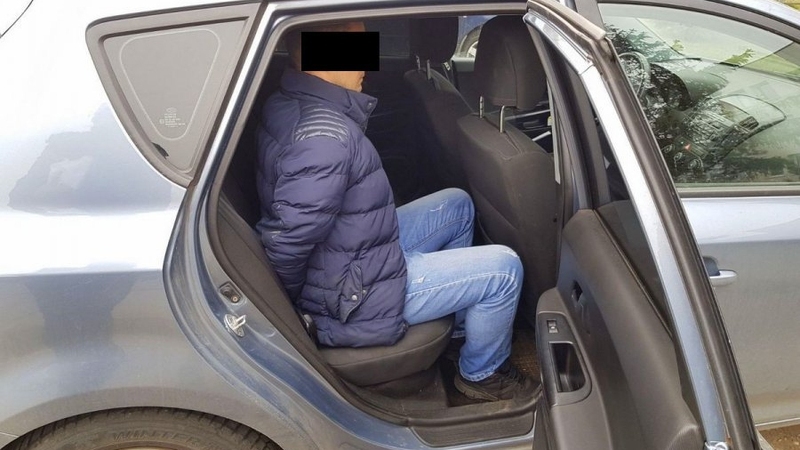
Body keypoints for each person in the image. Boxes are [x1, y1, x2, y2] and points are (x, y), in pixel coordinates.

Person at [255, 21, 534, 401]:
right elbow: (288, 240)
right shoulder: (324, 140)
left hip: (350, 257)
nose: (367, 65)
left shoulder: (291, 102)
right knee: (504, 270)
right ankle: (482, 373)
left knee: (456, 205)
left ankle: (458, 332)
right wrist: (293, 314)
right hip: (352, 298)